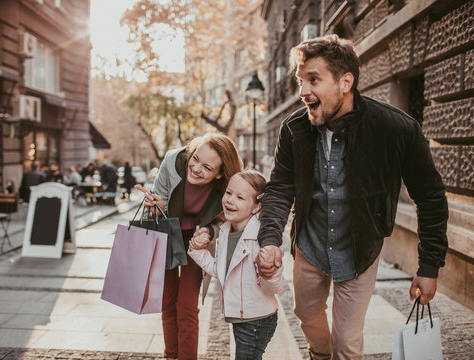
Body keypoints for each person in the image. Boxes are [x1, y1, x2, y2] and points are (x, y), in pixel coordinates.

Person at [256, 35, 448, 360]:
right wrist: (270, 239)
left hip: (360, 252)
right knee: (307, 316)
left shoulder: (396, 129)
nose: (302, 92)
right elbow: (279, 187)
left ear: (346, 82)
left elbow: (430, 196)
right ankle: (319, 355)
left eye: (313, 80)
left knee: (347, 344)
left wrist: (429, 265)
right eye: (300, 81)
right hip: (310, 247)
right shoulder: (294, 129)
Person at [136, 134, 243, 360]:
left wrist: (210, 233)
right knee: (168, 301)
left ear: (220, 173)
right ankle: (171, 355)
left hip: (195, 242)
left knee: (186, 305)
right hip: (167, 234)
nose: (195, 168)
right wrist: (157, 206)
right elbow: (151, 208)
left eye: (207, 168)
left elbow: (225, 218)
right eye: (195, 159)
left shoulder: (227, 185)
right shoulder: (172, 162)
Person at [188, 170, 282, 360]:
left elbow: (274, 287)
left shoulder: (261, 239)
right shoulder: (225, 231)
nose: (230, 200)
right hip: (241, 317)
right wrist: (196, 249)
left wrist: (268, 271)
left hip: (257, 320)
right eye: (229, 193)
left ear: (256, 207)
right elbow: (219, 270)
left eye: (240, 197)